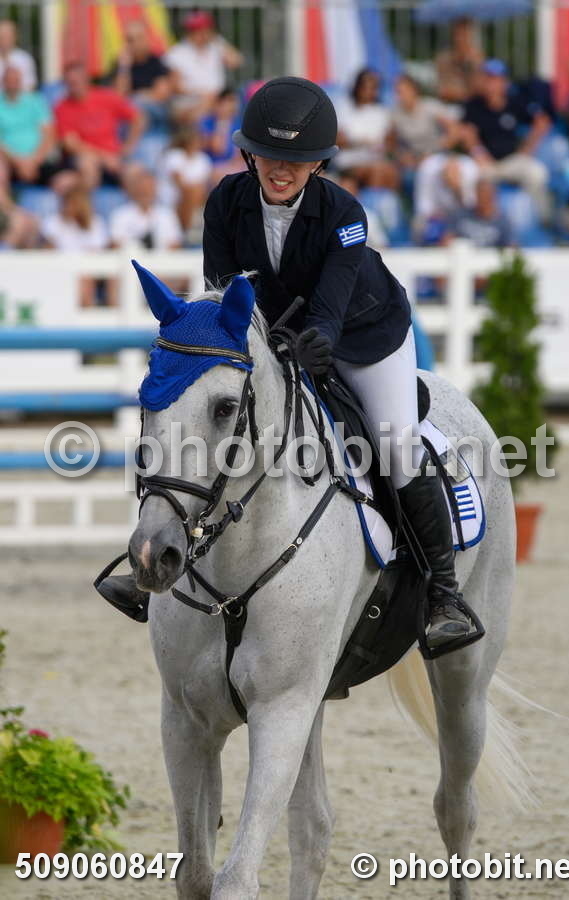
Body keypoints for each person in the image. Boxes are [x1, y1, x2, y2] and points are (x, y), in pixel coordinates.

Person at [100, 77, 474, 650]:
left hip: (364, 335)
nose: (281, 170)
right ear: (250, 154)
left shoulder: (344, 213)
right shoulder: (226, 202)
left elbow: (329, 309)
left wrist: (312, 342)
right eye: (270, 155)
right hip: (271, 335)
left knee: (396, 442)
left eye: (296, 160)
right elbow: (223, 296)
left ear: (318, 163)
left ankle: (444, 595)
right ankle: (156, 559)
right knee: (198, 429)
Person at [461, 59, 551, 220]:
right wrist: (478, 153)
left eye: (496, 79)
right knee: (466, 175)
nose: (491, 84)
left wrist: (527, 149)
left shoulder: (515, 101)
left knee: (537, 173)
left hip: (511, 160)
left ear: (504, 82)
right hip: (485, 163)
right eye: (488, 78)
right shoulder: (473, 104)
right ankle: (472, 222)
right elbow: (467, 133)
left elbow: (542, 121)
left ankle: (539, 221)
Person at [54, 62, 145, 188]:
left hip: (115, 157)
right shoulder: (62, 108)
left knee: (138, 172)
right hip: (87, 158)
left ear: (86, 79)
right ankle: (88, 200)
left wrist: (128, 146)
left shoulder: (106, 97)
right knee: (87, 164)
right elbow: (71, 144)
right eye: (70, 82)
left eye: (77, 81)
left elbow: (138, 118)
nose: (74, 85)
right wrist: (105, 158)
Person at [166, 10, 244, 123]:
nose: (204, 34)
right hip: (188, 101)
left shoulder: (215, 47)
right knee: (211, 103)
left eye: (207, 30)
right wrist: (202, 93)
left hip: (216, 98)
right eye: (199, 30)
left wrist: (218, 41)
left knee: (231, 102)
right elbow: (176, 88)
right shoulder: (177, 53)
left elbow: (236, 61)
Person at [41, 184, 111, 306]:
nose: (69, 207)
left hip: (87, 272)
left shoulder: (95, 223)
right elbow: (48, 250)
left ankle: (87, 313)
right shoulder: (53, 222)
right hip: (60, 270)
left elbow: (97, 253)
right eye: (67, 202)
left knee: (85, 279)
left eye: (74, 203)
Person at [334, 68, 398, 188]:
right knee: (377, 171)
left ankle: (382, 199)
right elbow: (338, 141)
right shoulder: (343, 108)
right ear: (358, 87)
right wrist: (361, 142)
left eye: (373, 87)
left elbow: (389, 145)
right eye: (365, 87)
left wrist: (383, 146)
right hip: (349, 162)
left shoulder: (382, 112)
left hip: (375, 160)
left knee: (391, 172)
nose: (369, 91)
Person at [112, 20, 173, 131]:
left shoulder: (156, 61)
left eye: (137, 39)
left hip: (154, 115)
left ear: (145, 39)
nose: (133, 44)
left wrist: (135, 97)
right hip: (131, 116)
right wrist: (124, 67)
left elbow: (161, 94)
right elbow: (119, 96)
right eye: (129, 40)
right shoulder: (122, 64)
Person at [390, 75, 461, 167]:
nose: (401, 96)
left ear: (414, 90)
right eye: (398, 92)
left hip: (437, 155)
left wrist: (439, 149)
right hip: (413, 160)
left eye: (404, 91)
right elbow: (392, 142)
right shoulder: (395, 114)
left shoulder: (430, 106)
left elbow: (454, 129)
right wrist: (402, 156)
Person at [0, 65, 55, 184]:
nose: (12, 84)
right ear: (3, 82)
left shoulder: (36, 100)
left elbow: (48, 134)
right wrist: (18, 162)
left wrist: (34, 161)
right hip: (8, 163)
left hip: (40, 161)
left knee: (68, 181)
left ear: (20, 81)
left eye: (15, 80)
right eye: (9, 80)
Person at [109, 165, 182, 249]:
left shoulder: (167, 214)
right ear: (134, 190)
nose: (145, 192)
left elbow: (176, 244)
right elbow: (114, 244)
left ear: (155, 190)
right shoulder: (120, 214)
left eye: (149, 188)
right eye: (142, 189)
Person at [159, 126, 213, 231]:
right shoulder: (174, 155)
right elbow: (178, 181)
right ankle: (185, 228)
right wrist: (194, 190)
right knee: (192, 192)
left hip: (198, 197)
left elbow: (205, 183)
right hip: (172, 196)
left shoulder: (203, 159)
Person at [435, 17, 483, 104]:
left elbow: (480, 88)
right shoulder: (444, 58)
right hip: (450, 105)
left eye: (465, 34)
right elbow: (442, 91)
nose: (461, 38)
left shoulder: (477, 57)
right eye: (458, 34)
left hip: (472, 105)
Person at [200, 87, 244, 181]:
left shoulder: (237, 124)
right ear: (218, 103)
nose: (232, 106)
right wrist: (222, 122)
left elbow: (239, 155)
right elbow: (217, 148)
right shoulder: (206, 122)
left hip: (232, 166)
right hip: (211, 166)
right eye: (228, 101)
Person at [0, 19, 36, 92]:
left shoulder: (25, 59)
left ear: (15, 37)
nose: (4, 39)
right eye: (2, 36)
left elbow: (30, 86)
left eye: (7, 36)